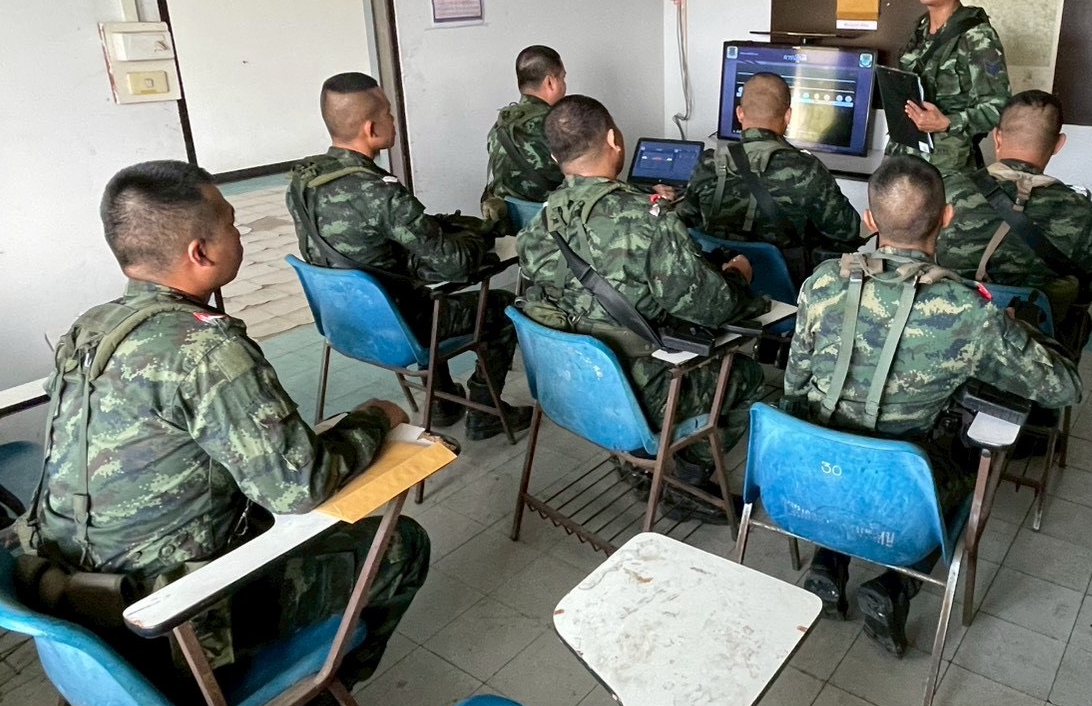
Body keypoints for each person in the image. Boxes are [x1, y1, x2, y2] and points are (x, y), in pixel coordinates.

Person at [20, 160, 429, 706]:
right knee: (401, 546)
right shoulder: (206, 348)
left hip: (77, 596)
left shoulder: (91, 327)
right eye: (234, 225)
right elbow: (300, 485)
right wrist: (373, 419)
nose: (241, 235)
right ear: (201, 252)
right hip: (171, 618)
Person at [784, 155, 1081, 654]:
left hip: (807, 470)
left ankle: (828, 566)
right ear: (947, 217)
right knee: (970, 456)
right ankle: (893, 586)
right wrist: (1015, 330)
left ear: (870, 220)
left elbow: (794, 387)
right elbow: (1063, 388)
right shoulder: (966, 310)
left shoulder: (822, 283)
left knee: (840, 438)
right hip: (903, 487)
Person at [517, 95, 769, 519]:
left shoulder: (539, 220)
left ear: (556, 157)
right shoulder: (649, 221)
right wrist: (738, 277)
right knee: (746, 377)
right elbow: (711, 307)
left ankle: (634, 464)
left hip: (565, 385)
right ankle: (686, 482)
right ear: (613, 140)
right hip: (638, 393)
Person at [286, 71, 531, 440]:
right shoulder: (381, 193)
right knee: (505, 307)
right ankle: (486, 412)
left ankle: (442, 401)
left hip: (342, 323)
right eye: (388, 113)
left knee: (422, 292)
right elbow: (457, 264)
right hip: (400, 327)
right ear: (371, 129)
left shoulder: (303, 180)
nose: (393, 119)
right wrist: (479, 237)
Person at [934, 89, 1092, 352]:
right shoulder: (1079, 211)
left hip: (948, 336)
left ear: (997, 137)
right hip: (1038, 350)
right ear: (1058, 144)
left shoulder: (949, 192)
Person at [678, 72, 863, 282]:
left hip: (720, 287)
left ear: (739, 113)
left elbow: (686, 221)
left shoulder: (708, 163)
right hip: (785, 290)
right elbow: (847, 231)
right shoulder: (806, 169)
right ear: (788, 116)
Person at [886, 0, 1012, 176]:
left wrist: (947, 122)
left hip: (947, 168)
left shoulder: (977, 35)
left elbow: (1000, 107)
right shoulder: (920, 28)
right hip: (905, 157)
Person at [481, 44, 567, 224]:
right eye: (562, 78)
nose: (564, 85)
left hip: (508, 223)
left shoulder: (501, 123)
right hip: (550, 226)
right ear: (550, 82)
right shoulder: (558, 125)